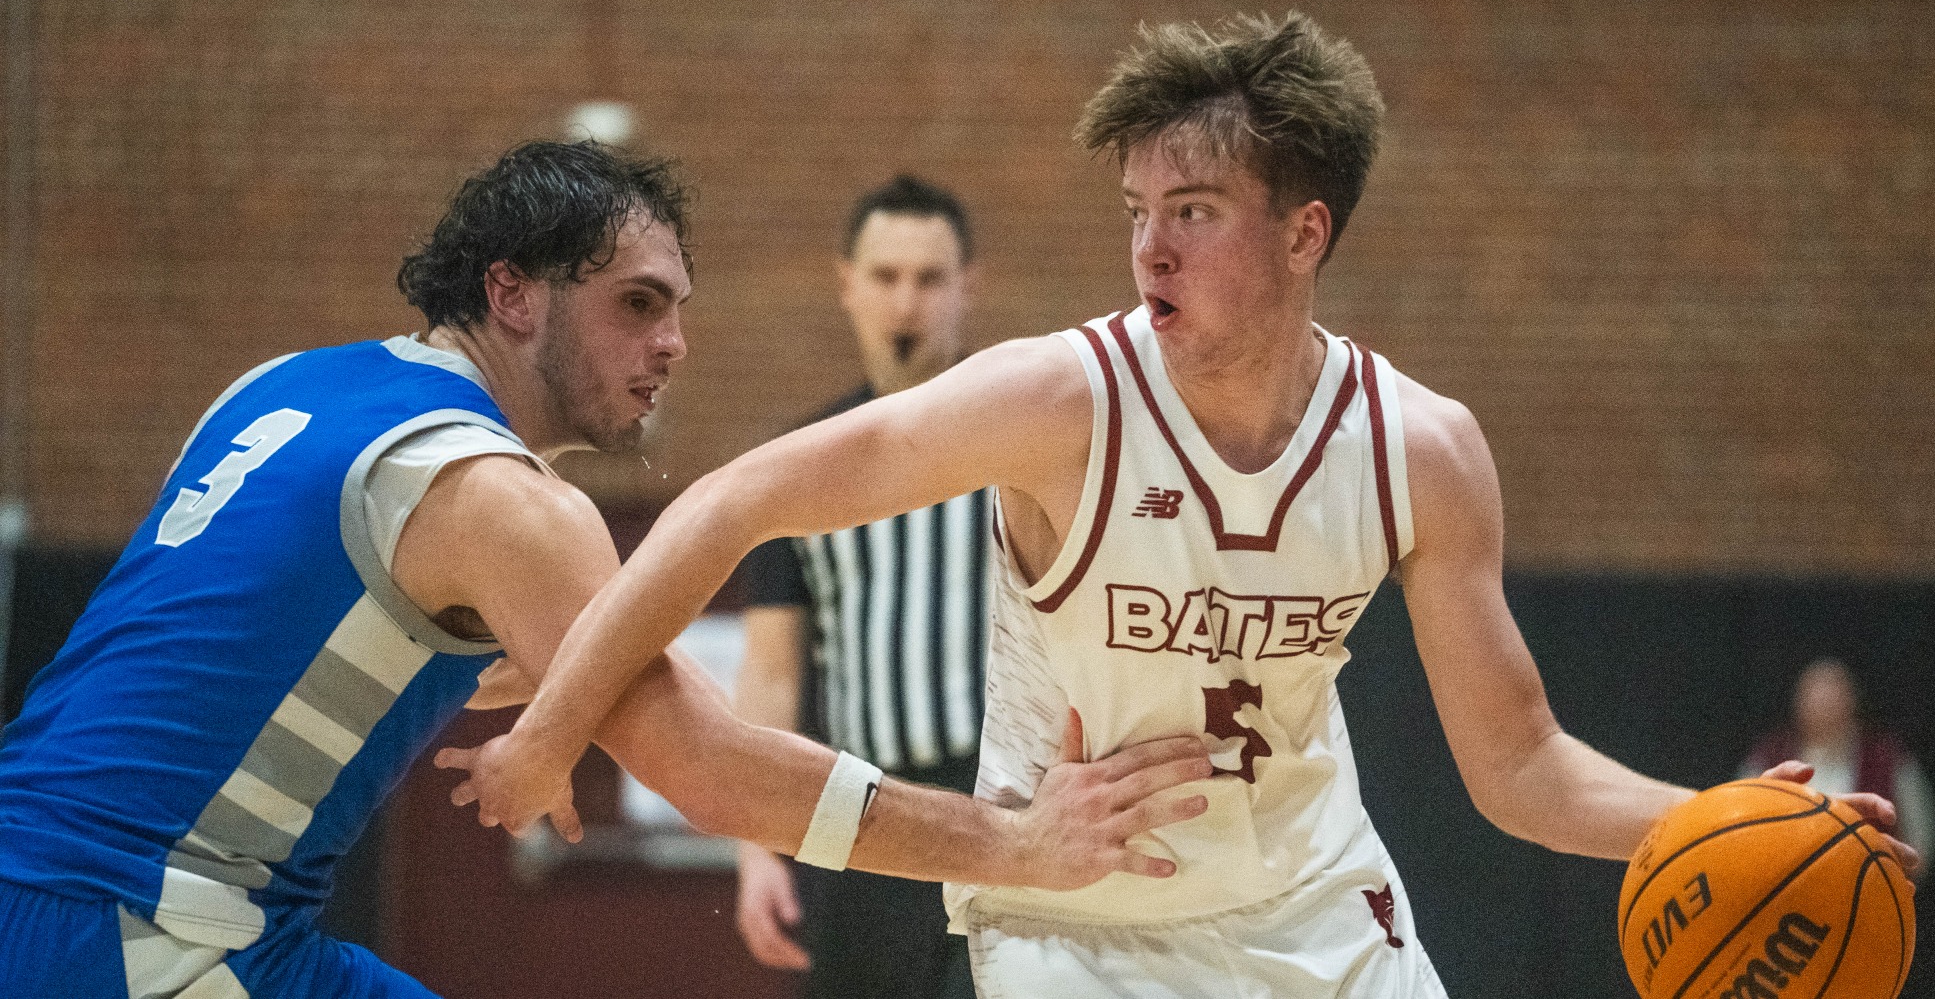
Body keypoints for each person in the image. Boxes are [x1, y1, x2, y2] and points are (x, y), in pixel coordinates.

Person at [446, 17, 1917, 997]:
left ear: (1304, 231)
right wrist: (557, 728)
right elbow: (733, 503)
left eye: (1192, 211)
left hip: (1318, 911)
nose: (1149, 244)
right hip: (1067, 915)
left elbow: (1519, 761)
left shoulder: (1422, 449)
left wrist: (1721, 819)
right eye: (1135, 210)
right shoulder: (1056, 398)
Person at [0, 140, 1212, 999]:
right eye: (637, 305)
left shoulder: (276, 389)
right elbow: (712, 772)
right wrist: (1017, 846)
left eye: (678, 307)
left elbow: (252, 648)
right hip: (140, 933)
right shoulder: (507, 502)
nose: (672, 344)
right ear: (511, 294)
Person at [733, 174, 989, 997]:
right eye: (885, 277)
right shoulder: (802, 462)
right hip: (857, 818)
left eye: (929, 278)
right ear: (847, 284)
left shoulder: (1020, 444)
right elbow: (773, 671)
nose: (906, 302)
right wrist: (752, 844)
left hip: (999, 818)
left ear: (966, 289)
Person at [1741, 657, 1935, 875]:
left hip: (1868, 894)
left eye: (1833, 694)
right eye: (1815, 695)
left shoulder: (1887, 757)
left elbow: (1921, 842)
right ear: (1798, 702)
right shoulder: (1768, 756)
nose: (1824, 704)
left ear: (1852, 700)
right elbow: (1735, 837)